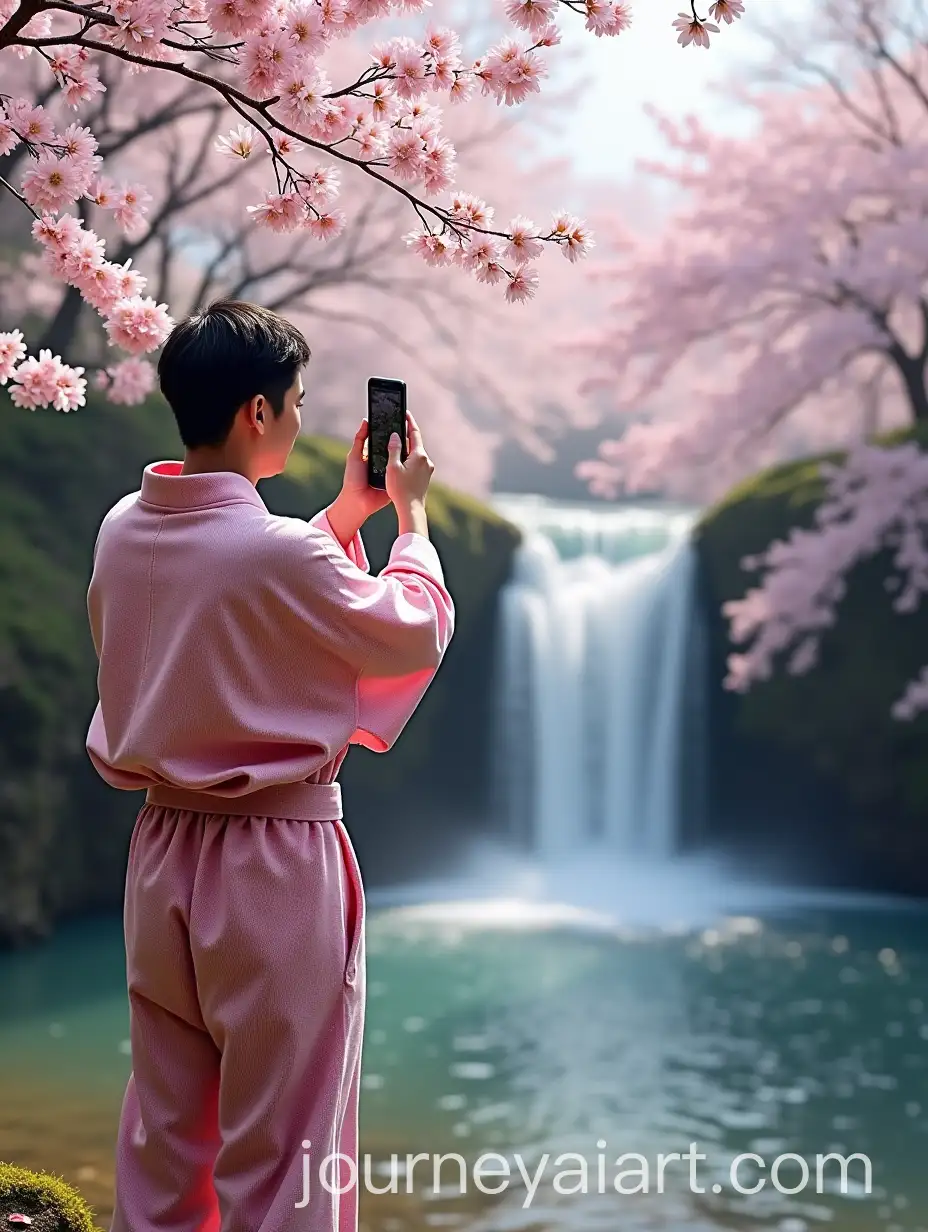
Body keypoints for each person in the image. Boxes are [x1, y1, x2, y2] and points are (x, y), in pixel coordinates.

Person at [84, 299, 455, 1232]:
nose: (297, 419)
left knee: (167, 1120)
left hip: (163, 847)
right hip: (276, 860)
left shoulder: (124, 528)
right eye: (292, 402)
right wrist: (407, 522)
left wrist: (339, 515)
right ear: (258, 412)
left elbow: (237, 592)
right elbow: (408, 631)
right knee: (287, 1139)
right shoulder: (282, 554)